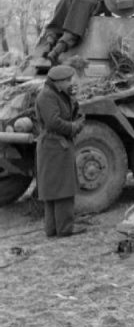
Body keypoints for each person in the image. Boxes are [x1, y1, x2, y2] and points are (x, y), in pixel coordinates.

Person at [35, 65, 85, 237]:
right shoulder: (47, 96)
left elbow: (69, 112)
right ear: (58, 83)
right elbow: (53, 122)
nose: (71, 82)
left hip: (55, 146)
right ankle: (64, 229)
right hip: (54, 145)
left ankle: (53, 229)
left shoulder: (57, 94)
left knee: (54, 189)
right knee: (63, 189)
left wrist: (73, 99)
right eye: (68, 80)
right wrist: (73, 127)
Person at [42, 0, 112, 65]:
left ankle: (47, 46)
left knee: (56, 27)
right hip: (84, 1)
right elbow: (108, 17)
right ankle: (54, 54)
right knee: (73, 32)